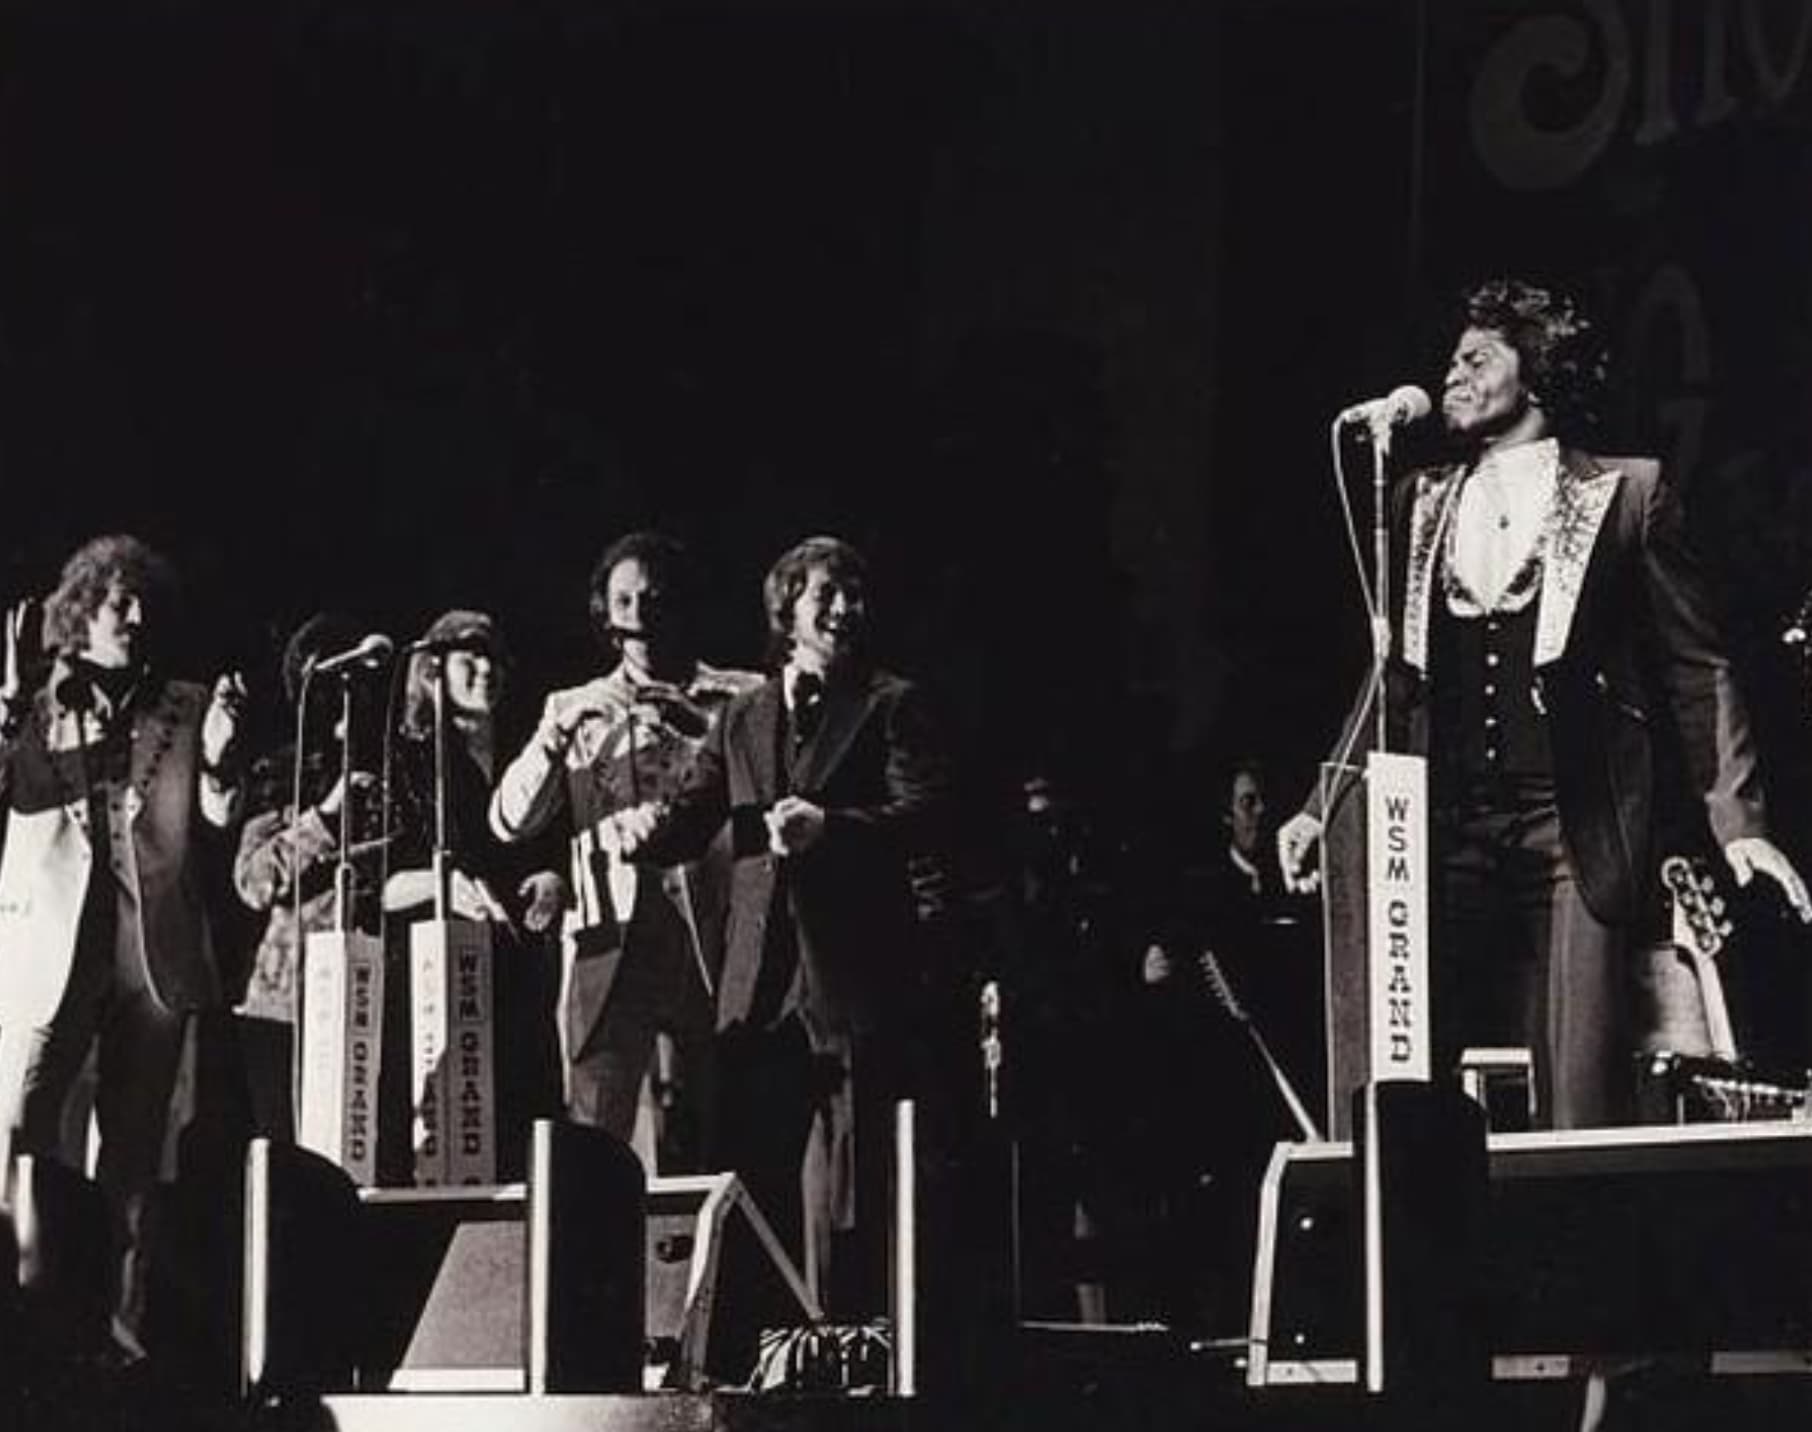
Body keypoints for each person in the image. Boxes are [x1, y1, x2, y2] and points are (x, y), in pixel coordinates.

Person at [1277, 279, 1811, 1130]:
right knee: (1418, 1078)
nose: (1451, 374)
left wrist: (1739, 826)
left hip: (1573, 830)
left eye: (1476, 358)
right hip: (1446, 832)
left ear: (1536, 373)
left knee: (1579, 1084)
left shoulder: (1627, 494)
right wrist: (1321, 805)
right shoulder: (1419, 502)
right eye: (1451, 358)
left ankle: (1577, 1251)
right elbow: (1391, 674)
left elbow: (1698, 670)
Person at [612, 535, 948, 1317]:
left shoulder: (891, 703)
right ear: (787, 605)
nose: (844, 608)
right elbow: (696, 816)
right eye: (827, 592)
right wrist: (643, 830)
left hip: (849, 975)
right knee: (751, 1166)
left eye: (855, 594)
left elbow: (925, 818)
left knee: (847, 1183)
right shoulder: (744, 715)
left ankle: (852, 1347)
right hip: (757, 983)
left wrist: (832, 829)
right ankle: (762, 1350)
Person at [0, 535, 246, 1366]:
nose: (136, 617)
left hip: (153, 955)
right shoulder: (36, 704)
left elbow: (215, 815)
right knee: (22, 1130)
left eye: (144, 603)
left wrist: (220, 756)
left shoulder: (186, 701)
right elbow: (21, 788)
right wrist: (8, 709)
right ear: (80, 614)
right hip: (48, 952)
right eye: (117, 604)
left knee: (136, 1152)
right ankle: (23, 1310)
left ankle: (117, 1326)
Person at [490, 535, 761, 1170]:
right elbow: (508, 821)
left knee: (709, 1123)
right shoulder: (573, 705)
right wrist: (558, 732)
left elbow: (769, 783)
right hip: (611, 938)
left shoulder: (739, 696)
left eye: (653, 597)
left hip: (709, 935)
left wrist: (700, 727)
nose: (638, 612)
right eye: (623, 599)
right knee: (595, 1121)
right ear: (604, 612)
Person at [383, 608, 563, 1181]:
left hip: (517, 966)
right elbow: (377, 886)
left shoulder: (523, 750)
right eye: (468, 657)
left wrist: (554, 879)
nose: (485, 669)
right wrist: (445, 886)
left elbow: (555, 839)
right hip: (436, 978)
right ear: (431, 671)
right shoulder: (405, 761)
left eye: (492, 657)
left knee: (521, 1119)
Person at [231, 612, 385, 1143]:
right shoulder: (281, 775)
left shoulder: (396, 763)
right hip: (288, 1005)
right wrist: (324, 816)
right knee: (291, 1154)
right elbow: (253, 881)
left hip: (373, 998)